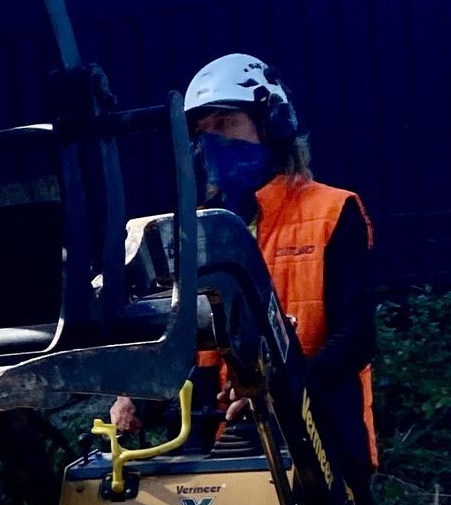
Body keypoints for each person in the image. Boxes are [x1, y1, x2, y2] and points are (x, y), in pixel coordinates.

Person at [114, 52, 378, 470]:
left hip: (318, 441)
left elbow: (359, 335)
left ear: (272, 125)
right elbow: (180, 338)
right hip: (214, 446)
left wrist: (287, 388)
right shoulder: (199, 230)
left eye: (225, 123)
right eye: (202, 133)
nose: (212, 142)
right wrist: (139, 395)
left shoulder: (333, 210)